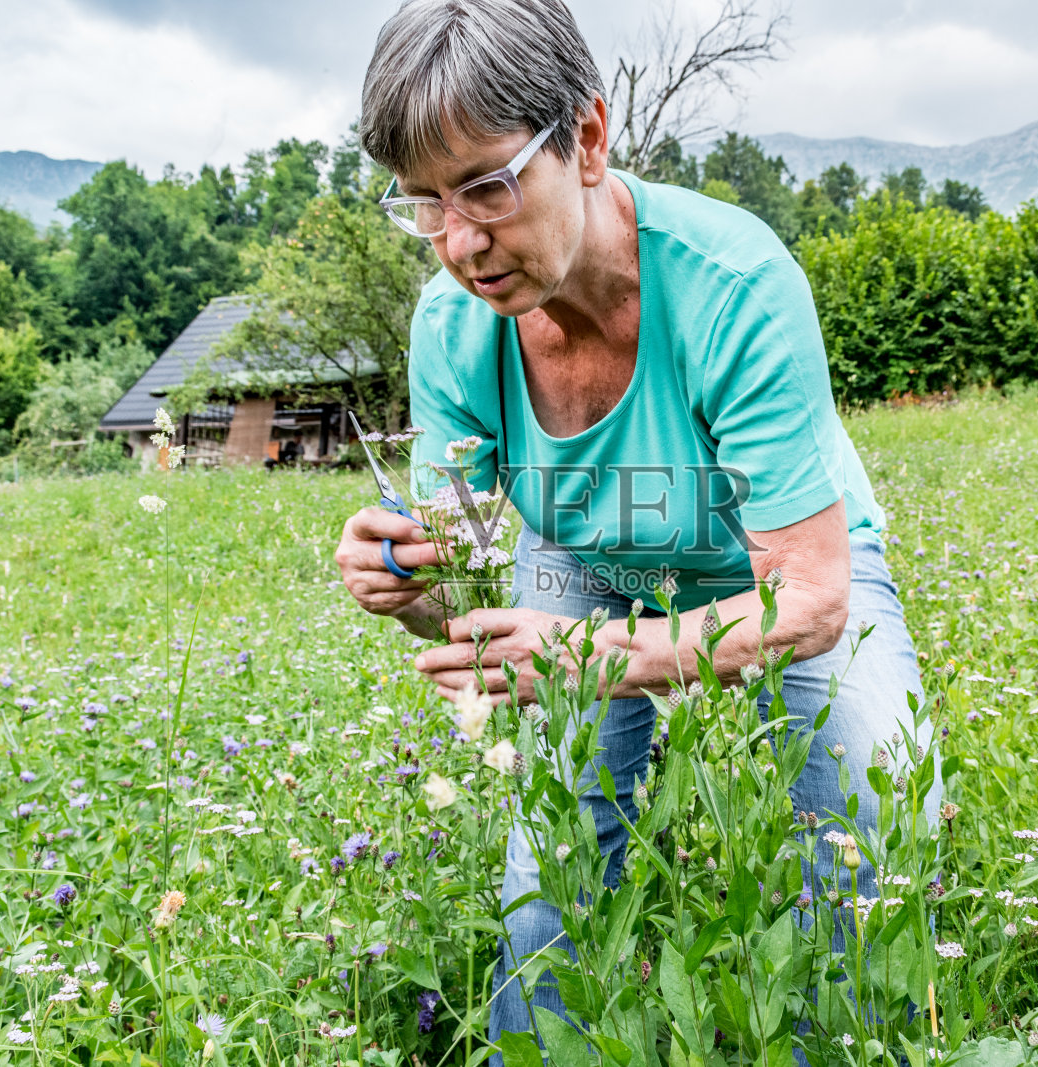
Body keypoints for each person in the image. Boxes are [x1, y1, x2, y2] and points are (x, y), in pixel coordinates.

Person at [334, 0, 935, 1050]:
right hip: (586, 556)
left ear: (589, 138)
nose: (459, 243)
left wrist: (595, 659)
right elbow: (462, 606)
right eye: (423, 203)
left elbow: (811, 598)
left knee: (877, 819)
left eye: (485, 186)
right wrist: (402, 582)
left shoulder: (732, 284)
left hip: (774, 563)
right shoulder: (452, 326)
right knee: (549, 873)